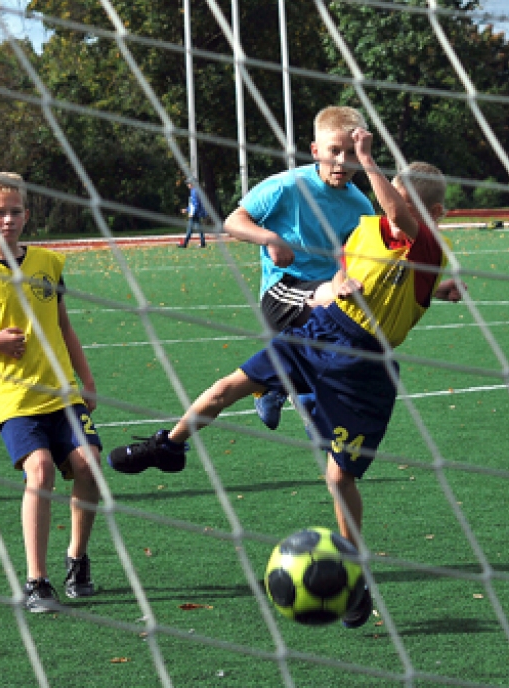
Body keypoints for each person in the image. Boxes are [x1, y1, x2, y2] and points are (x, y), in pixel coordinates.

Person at [108, 129, 462, 628]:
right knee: (226, 387)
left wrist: (369, 160)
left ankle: (354, 575)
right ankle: (169, 446)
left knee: (338, 476)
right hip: (320, 333)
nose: (391, 207)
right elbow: (357, 267)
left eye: (401, 201)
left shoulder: (426, 241)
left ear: (435, 213)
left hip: (362, 367)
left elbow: (404, 224)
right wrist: (337, 284)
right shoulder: (367, 228)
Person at [0, 172, 102, 614]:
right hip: (11, 396)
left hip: (62, 390)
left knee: (88, 464)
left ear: (26, 215)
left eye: (15, 211)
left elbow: (65, 327)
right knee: (40, 470)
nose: (8, 219)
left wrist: (86, 381)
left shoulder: (49, 265)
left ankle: (77, 558)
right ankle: (37, 580)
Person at [223, 105, 375, 430]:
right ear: (315, 151)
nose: (341, 161)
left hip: (327, 293)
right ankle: (304, 395)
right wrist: (270, 238)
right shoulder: (286, 186)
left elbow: (356, 258)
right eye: (334, 151)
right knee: (330, 312)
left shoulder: (360, 205)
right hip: (283, 291)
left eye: (350, 153)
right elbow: (233, 221)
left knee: (357, 331)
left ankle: (277, 386)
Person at [178, 179, 208, 248]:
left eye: (188, 183)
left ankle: (185, 244)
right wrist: (186, 210)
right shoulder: (194, 191)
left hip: (195, 213)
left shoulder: (194, 192)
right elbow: (192, 204)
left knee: (189, 229)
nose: (187, 185)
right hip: (196, 213)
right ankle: (202, 243)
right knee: (198, 228)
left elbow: (195, 205)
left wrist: (192, 213)